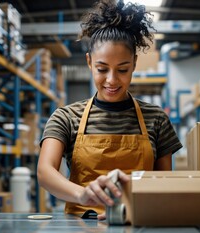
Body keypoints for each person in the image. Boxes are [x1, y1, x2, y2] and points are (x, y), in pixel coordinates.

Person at [37, 0, 182, 220]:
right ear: (89, 62)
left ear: (134, 63)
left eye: (122, 69)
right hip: (81, 227)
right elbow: (45, 172)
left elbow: (164, 184)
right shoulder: (66, 117)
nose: (111, 80)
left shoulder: (156, 118)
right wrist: (82, 194)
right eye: (102, 69)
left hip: (139, 223)